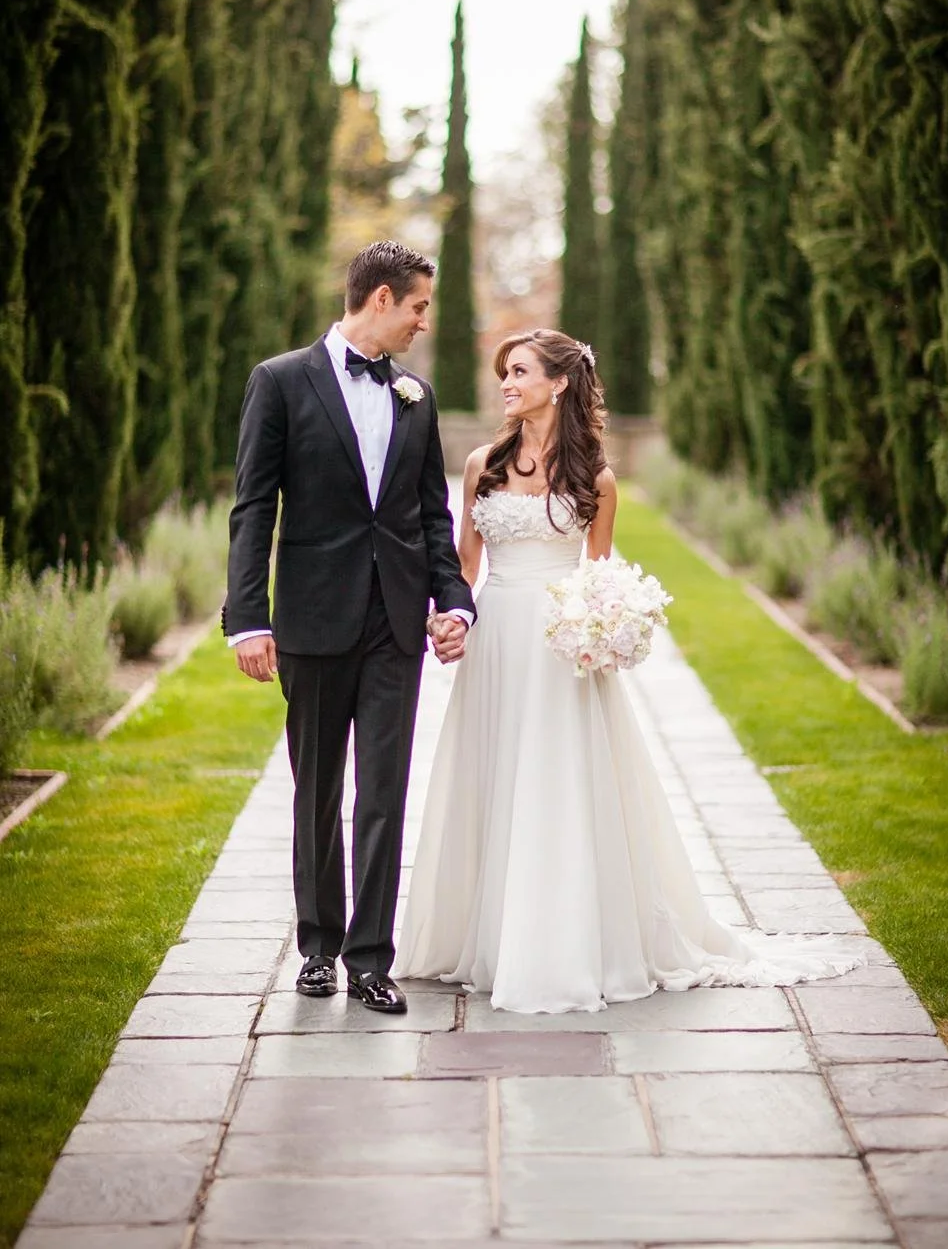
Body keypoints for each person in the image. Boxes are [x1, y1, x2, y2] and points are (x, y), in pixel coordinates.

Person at [395, 329, 863, 1013]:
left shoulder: (596, 480)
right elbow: (465, 568)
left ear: (558, 383)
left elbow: (598, 572)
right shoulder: (481, 464)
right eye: (505, 372)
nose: (507, 383)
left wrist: (607, 626)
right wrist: (450, 617)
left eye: (519, 371)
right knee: (492, 775)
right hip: (498, 642)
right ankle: (482, 933)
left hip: (560, 649)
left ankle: (562, 941)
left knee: (557, 783)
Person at [223, 241, 475, 1014]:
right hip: (311, 617)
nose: (424, 323)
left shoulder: (416, 397)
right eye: (419, 307)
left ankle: (371, 958)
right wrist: (247, 620)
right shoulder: (280, 381)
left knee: (384, 792)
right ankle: (318, 947)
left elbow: (432, 515)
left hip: (394, 623)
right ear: (380, 300)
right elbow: (253, 506)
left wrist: (456, 601)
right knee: (317, 788)